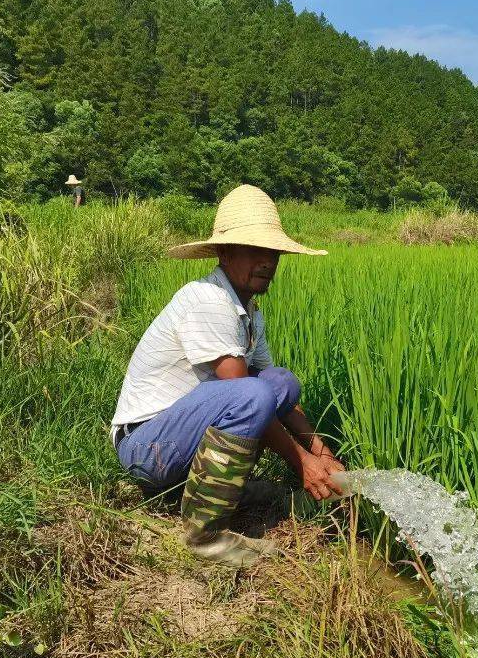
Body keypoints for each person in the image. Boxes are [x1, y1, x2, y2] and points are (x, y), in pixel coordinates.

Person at [110, 184, 345, 567]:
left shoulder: (248, 311)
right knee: (252, 394)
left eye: (272, 252)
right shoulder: (207, 301)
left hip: (178, 437)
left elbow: (271, 393)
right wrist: (302, 462)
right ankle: (205, 536)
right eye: (255, 250)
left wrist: (321, 451)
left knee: (281, 383)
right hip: (145, 446)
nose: (268, 261)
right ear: (224, 252)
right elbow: (245, 396)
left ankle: (217, 489)